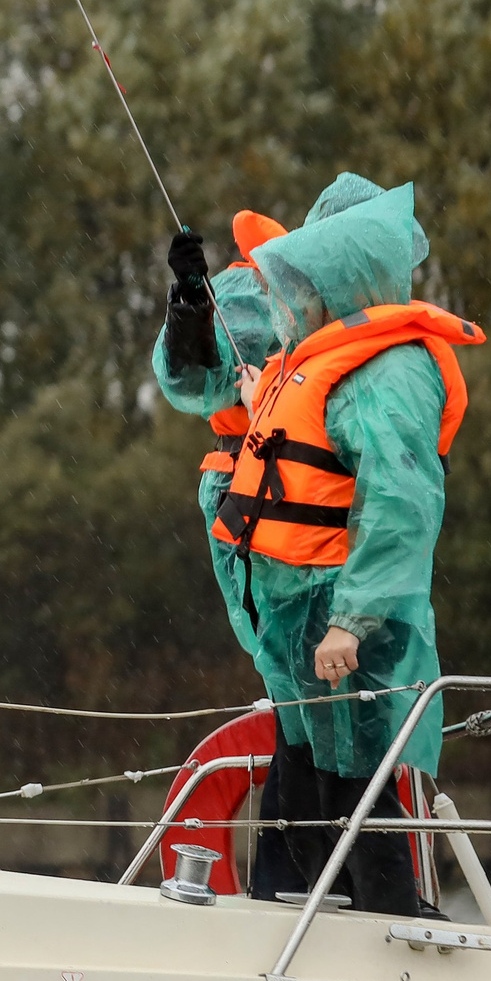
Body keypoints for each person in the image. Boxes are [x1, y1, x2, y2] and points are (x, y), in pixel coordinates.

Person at [203, 175, 485, 914]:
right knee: (303, 790)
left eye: (302, 278)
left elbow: (398, 508)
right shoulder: (324, 358)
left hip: (341, 625)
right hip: (301, 626)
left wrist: (350, 621)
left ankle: (397, 933)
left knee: (354, 791)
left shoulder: (390, 370)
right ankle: (322, 926)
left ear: (342, 273)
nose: (290, 296)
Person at [154, 210, 288, 656]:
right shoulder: (245, 295)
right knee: (277, 645)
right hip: (245, 483)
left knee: (299, 648)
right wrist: (191, 308)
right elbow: (197, 382)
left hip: (303, 485)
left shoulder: (331, 315)